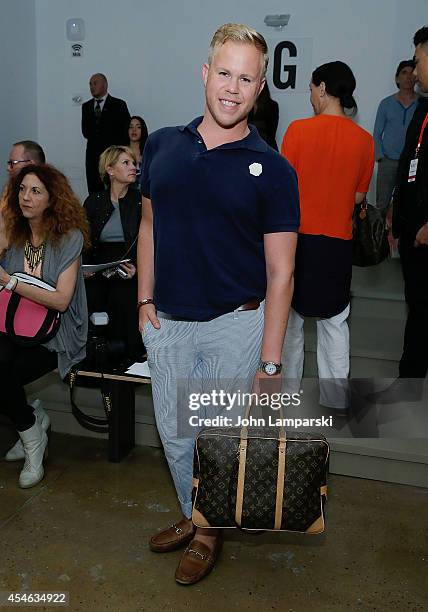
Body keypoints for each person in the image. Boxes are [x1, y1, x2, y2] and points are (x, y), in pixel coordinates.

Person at [138, 23, 299, 585]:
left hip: (236, 325)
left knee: (217, 437)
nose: (233, 87)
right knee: (175, 435)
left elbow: (282, 273)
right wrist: (143, 299)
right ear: (206, 74)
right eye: (224, 73)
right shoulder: (162, 144)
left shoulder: (274, 170)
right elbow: (149, 223)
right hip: (168, 323)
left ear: (259, 90)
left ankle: (207, 534)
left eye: (246, 78)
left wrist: (270, 361)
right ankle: (194, 511)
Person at [281, 61, 374, 412]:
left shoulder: (297, 131)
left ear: (321, 88)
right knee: (335, 323)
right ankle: (335, 400)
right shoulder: (364, 141)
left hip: (298, 240)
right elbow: (359, 197)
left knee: (290, 323)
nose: (310, 96)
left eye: (310, 89)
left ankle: (286, 396)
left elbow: (283, 190)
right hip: (337, 241)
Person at [0, 164, 89, 487]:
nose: (26, 197)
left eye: (35, 191)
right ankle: (32, 425)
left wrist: (10, 282)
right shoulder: (14, 230)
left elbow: (62, 301)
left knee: (3, 377)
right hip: (12, 324)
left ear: (53, 199)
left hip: (57, 333)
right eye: (21, 190)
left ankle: (32, 440)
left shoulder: (70, 238)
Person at [382, 26, 428, 400]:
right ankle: (411, 376)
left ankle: (411, 378)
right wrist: (397, 211)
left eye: (418, 60)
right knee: (418, 303)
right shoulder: (424, 108)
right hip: (413, 229)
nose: (413, 70)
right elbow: (410, 165)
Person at [83, 145, 142, 360]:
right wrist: (85, 266)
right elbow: (83, 239)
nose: (133, 167)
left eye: (134, 163)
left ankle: (128, 359)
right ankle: (94, 359)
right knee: (89, 295)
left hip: (129, 265)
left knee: (123, 297)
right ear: (110, 170)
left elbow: (148, 242)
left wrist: (137, 267)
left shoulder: (140, 202)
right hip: (99, 265)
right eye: (126, 163)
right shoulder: (94, 201)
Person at [374, 61, 418, 212]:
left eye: (412, 73)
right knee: (382, 204)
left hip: (412, 163)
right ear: (397, 78)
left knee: (408, 205)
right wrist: (380, 157)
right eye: (404, 73)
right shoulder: (386, 103)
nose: (408, 77)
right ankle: (379, 235)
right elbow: (377, 133)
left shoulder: (422, 104)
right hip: (388, 162)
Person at [81, 73, 130, 193]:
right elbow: (86, 132)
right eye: (90, 84)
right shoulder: (86, 106)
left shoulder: (118, 104)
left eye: (95, 83)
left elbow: (125, 131)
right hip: (93, 157)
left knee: (114, 188)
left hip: (112, 155)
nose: (92, 87)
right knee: (94, 190)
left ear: (105, 85)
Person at [1, 141, 46, 251]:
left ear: (30, 164)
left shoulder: (49, 193)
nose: (8, 168)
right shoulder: (10, 189)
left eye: (13, 163)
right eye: (22, 189)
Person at [248, 82, 279, 149]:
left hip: (266, 146)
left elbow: (271, 133)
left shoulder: (272, 105)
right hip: (245, 146)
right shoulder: (243, 105)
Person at [128, 115, 149, 182]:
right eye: (131, 127)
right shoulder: (121, 152)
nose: (134, 130)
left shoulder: (148, 152)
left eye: (138, 127)